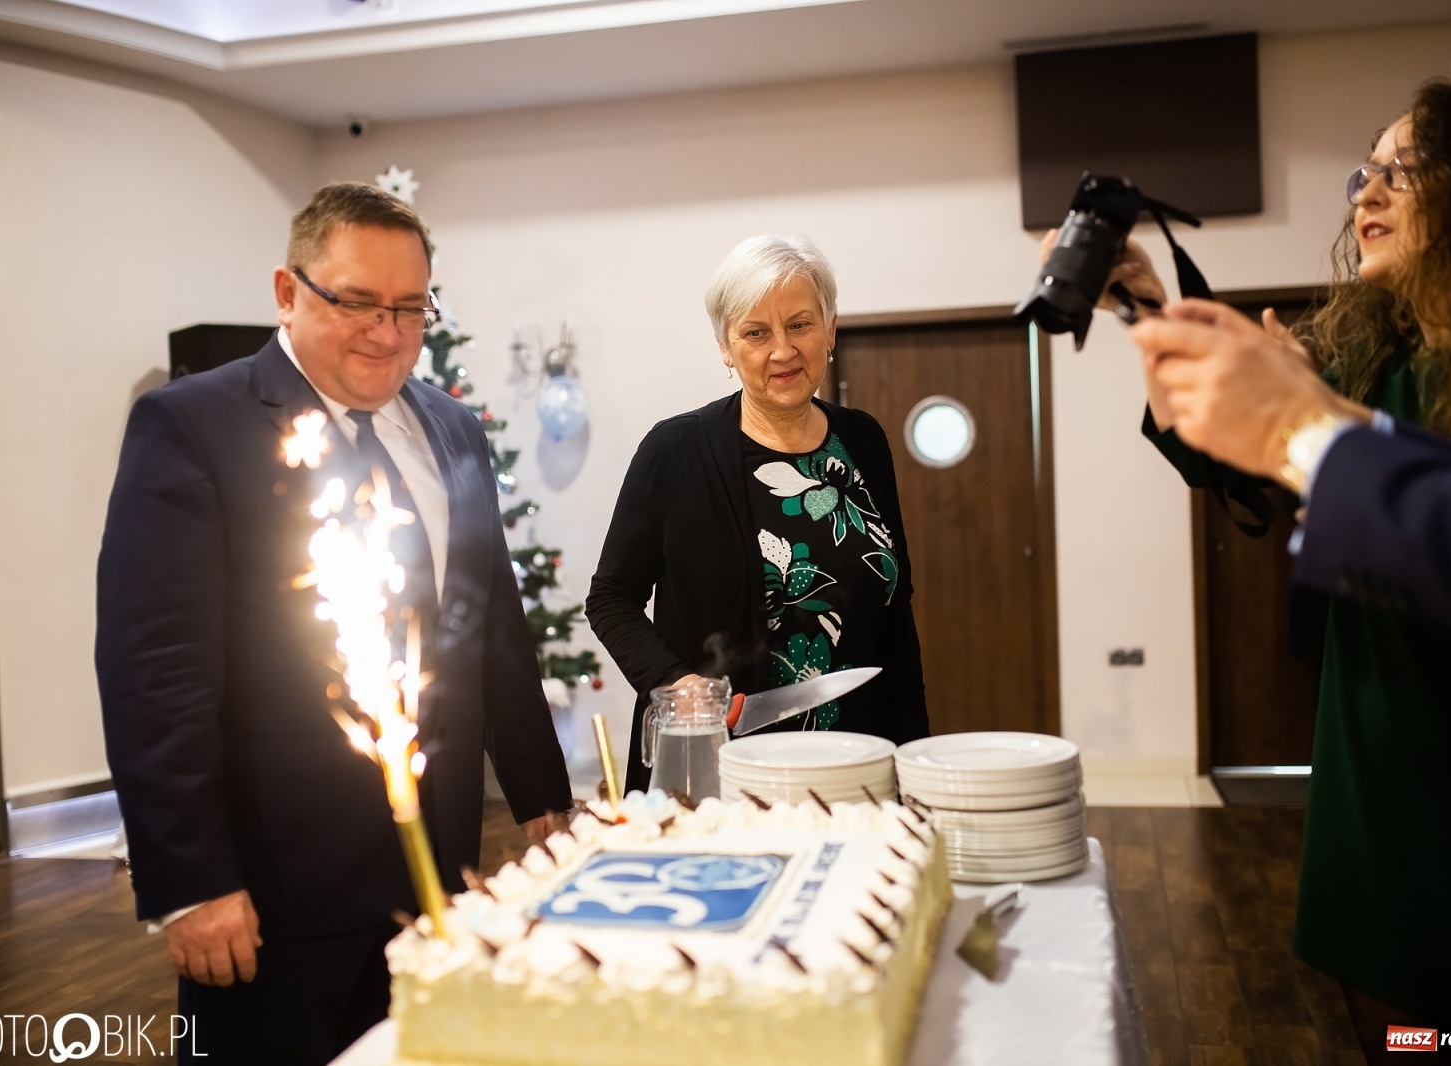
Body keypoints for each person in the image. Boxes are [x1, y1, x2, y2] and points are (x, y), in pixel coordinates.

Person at [1101, 81, 1451, 1050]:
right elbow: (1233, 449)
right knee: (1394, 1028)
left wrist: (1307, 424)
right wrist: (1147, 308)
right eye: (1364, 172)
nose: (1366, 192)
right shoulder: (1372, 353)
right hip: (1372, 773)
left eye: (1401, 170)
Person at [96, 182, 572, 1065]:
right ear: (287, 291)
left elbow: (491, 622)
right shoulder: (192, 426)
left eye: (408, 308)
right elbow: (154, 670)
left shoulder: (455, 430)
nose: (385, 332)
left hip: (438, 872)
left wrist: (544, 795)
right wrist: (192, 881)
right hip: (274, 891)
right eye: (355, 301)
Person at [586, 234, 929, 793]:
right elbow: (610, 600)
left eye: (800, 324)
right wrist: (674, 684)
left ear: (830, 329)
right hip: (721, 767)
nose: (783, 350)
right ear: (725, 346)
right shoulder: (674, 451)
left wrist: (914, 763)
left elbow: (897, 613)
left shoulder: (864, 440)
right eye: (755, 332)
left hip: (857, 764)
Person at [1133, 299, 1451, 663]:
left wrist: (1300, 427)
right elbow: (1206, 456)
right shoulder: (1374, 363)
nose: (1366, 202)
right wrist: (1146, 310)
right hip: (1367, 678)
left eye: (1408, 198)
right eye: (1352, 198)